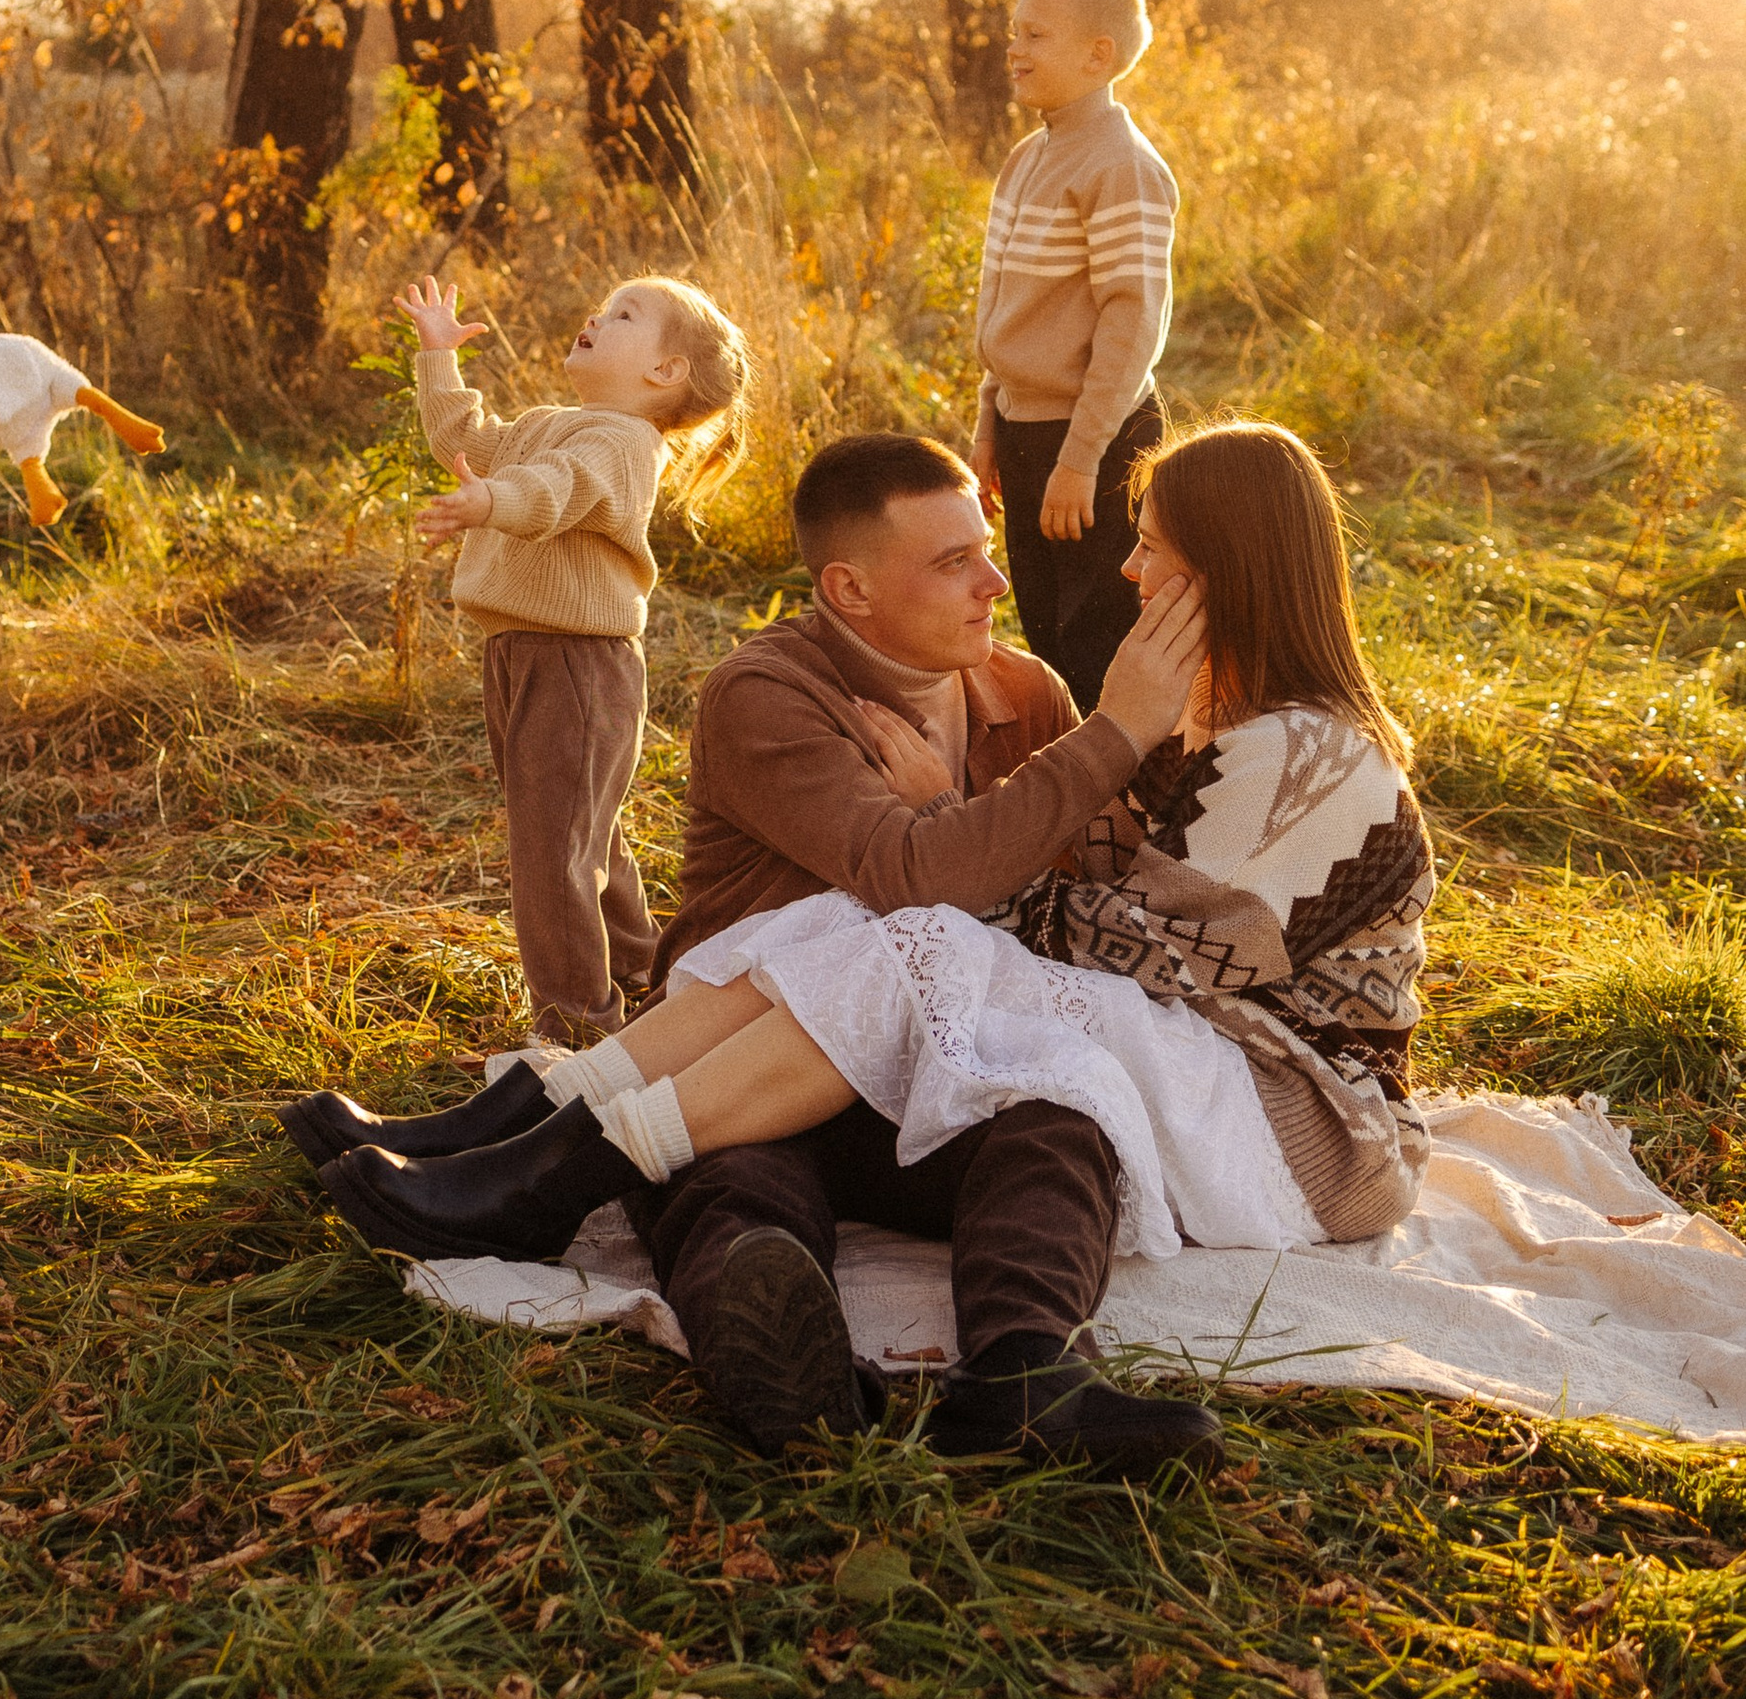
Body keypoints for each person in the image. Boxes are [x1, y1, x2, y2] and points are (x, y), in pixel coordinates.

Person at [316, 424, 1432, 1481]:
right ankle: (593, 1191)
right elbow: (982, 887)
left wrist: (972, 804)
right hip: (775, 1049)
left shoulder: (1265, 746)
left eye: (1153, 548)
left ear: (1224, 574)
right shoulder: (776, 693)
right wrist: (1051, 785)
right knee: (778, 1123)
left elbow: (1122, 944)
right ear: (851, 588)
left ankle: (560, 1167)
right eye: (956, 562)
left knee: (1019, 1071)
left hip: (1286, 1100)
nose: (1121, 572)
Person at [378, 271, 750, 1047]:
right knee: (581, 834)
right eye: (605, 306)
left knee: (553, 855)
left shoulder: (624, 445)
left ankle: (576, 1029)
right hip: (522, 654)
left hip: (577, 666)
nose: (597, 316)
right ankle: (645, 973)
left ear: (665, 371)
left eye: (625, 314)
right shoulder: (553, 423)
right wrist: (439, 358)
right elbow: (463, 443)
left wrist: (491, 501)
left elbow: (556, 489)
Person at [972, 0, 1178, 713]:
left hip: (1095, 439)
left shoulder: (1122, 167)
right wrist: (989, 423)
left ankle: (1130, 778)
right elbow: (1009, 311)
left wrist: (1081, 458)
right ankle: (1068, 773)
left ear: (1099, 54)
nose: (1015, 49)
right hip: (1027, 434)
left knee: (1100, 637)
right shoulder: (1028, 158)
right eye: (1014, 32)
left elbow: (1131, 322)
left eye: (1036, 35)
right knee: (1045, 627)